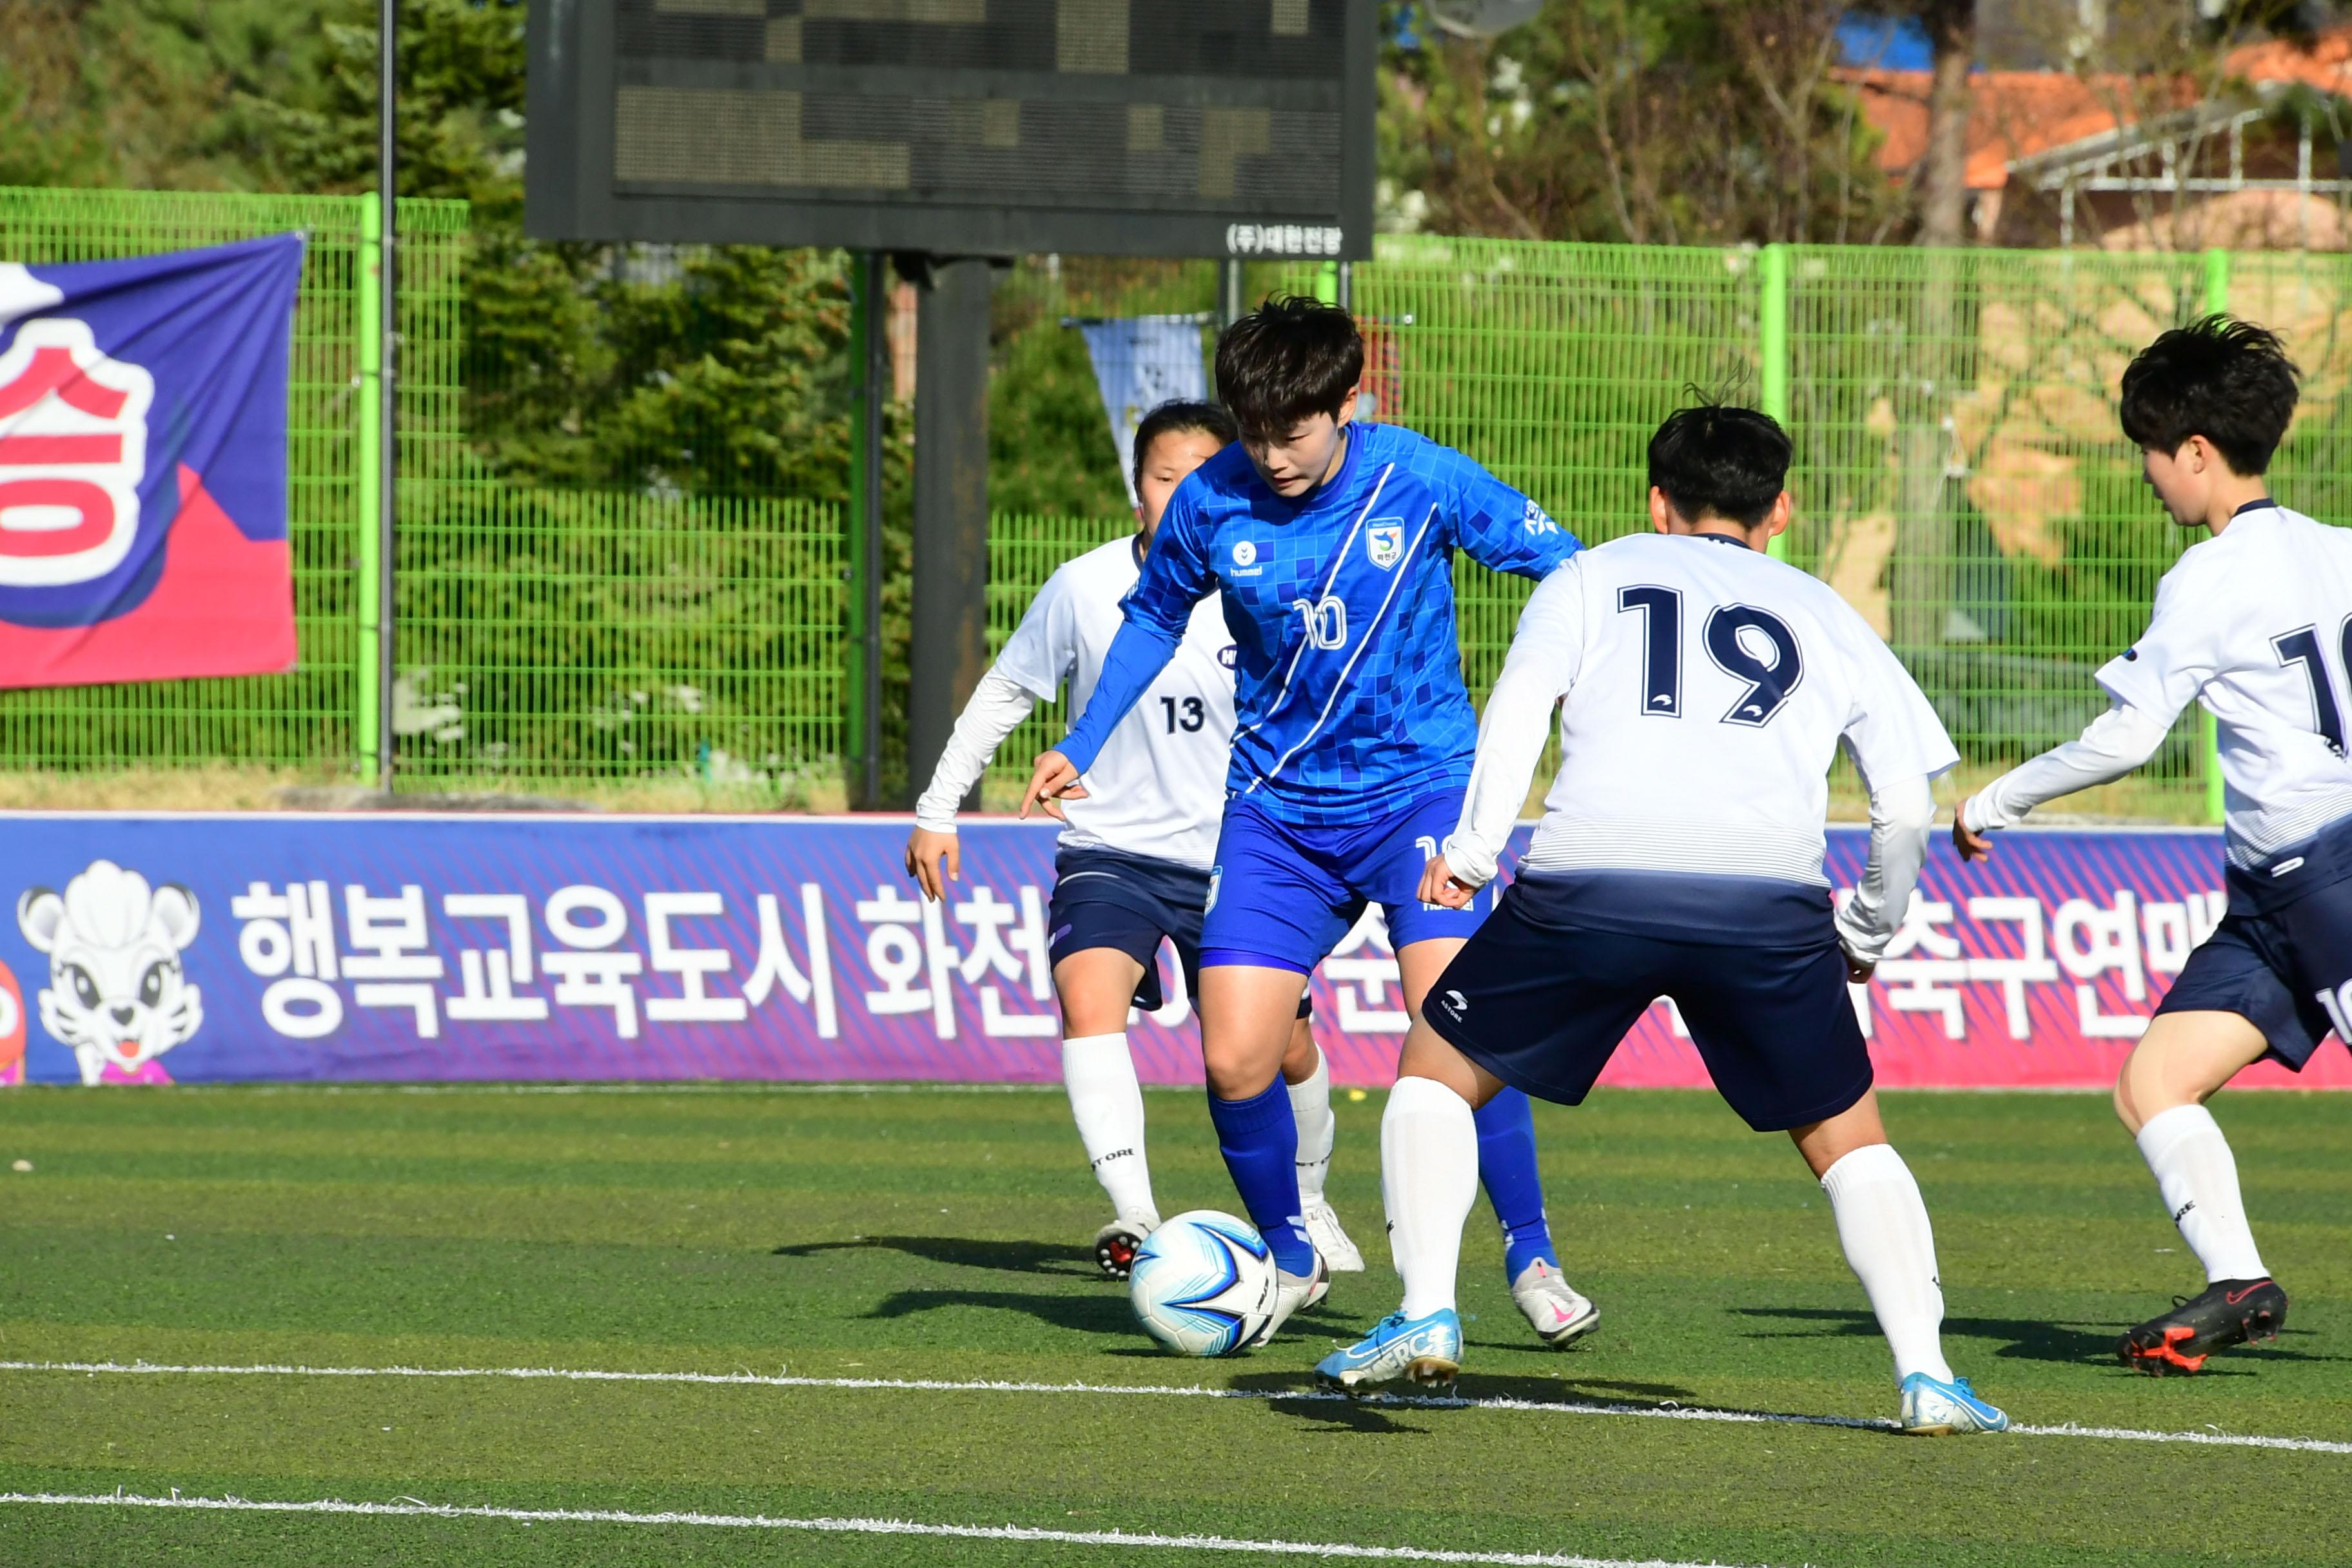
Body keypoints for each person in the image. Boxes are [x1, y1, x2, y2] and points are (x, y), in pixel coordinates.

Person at [1317, 404, 2008, 1437]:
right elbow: (1905, 804)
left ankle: (1424, 1312)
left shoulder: (1588, 577)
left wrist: (1469, 855)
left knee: (1436, 1072)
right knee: (1847, 1138)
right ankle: (1928, 1376)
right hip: (1765, 903)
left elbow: (1516, 720)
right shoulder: (1823, 608)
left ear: (1655, 501)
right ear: (1780, 509)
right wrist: (1866, 929)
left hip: (1594, 884)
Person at [1023, 297, 1596, 1350]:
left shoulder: (1417, 476)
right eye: (1254, 431)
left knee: (1458, 1026)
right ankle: (1289, 1257)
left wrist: (1564, 701)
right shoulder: (1210, 501)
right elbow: (1151, 618)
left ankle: (1530, 1251)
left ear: (1346, 405)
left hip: (1422, 796)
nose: (1272, 455)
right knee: (1237, 1057)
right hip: (1277, 815)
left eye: (1293, 430)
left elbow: (1570, 569)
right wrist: (1085, 743)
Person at [1955, 316, 2330, 1376]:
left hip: (2329, 876)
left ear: (2198, 452)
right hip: (2272, 902)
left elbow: (2127, 735)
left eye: (2152, 455)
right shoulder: (2339, 554)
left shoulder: (2209, 578)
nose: (2153, 479)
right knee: (2152, 1083)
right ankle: (2240, 1283)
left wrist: (1998, 802)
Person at [907, 400, 1359, 1279]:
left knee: (1281, 1048)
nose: (1183, 493)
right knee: (1088, 998)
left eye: (1203, 477)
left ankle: (1309, 1199)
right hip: (1109, 851)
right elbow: (1007, 693)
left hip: (1245, 858)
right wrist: (937, 808)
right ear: (1135, 491)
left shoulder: (1274, 580)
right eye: (1163, 478)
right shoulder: (1083, 587)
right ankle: (1135, 1212)